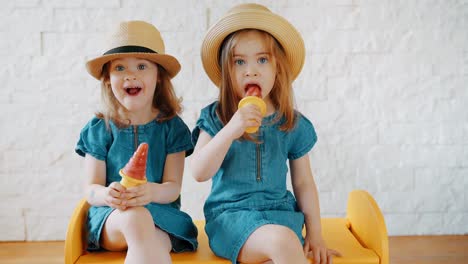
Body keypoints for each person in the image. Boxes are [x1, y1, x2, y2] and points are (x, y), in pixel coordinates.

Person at [191, 4, 340, 264]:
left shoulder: (291, 123)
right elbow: (199, 172)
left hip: (281, 217)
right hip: (230, 219)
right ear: (227, 71)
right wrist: (232, 129)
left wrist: (315, 234)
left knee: (280, 245)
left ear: (278, 69)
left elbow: (304, 183)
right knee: (281, 242)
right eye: (239, 61)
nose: (251, 70)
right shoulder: (217, 117)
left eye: (262, 59)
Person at [75, 20, 197, 264]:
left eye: (142, 66)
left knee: (155, 244)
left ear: (158, 76)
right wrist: (107, 194)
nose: (131, 74)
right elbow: (91, 189)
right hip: (112, 217)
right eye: (120, 68)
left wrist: (150, 191)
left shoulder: (172, 128)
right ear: (108, 78)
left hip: (161, 216)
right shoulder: (100, 129)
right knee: (136, 219)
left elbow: (173, 187)